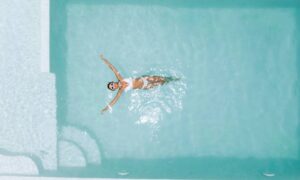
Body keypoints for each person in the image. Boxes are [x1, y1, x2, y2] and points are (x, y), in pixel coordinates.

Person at [100, 54, 179, 113]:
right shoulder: (120, 91)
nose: (113, 86)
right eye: (112, 87)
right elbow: (114, 101)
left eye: (112, 84)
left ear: (113, 82)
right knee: (162, 82)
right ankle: (172, 81)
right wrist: (105, 109)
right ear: (114, 89)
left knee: (162, 78)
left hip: (145, 78)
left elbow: (113, 68)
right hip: (146, 86)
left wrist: (104, 59)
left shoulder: (120, 78)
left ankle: (175, 79)